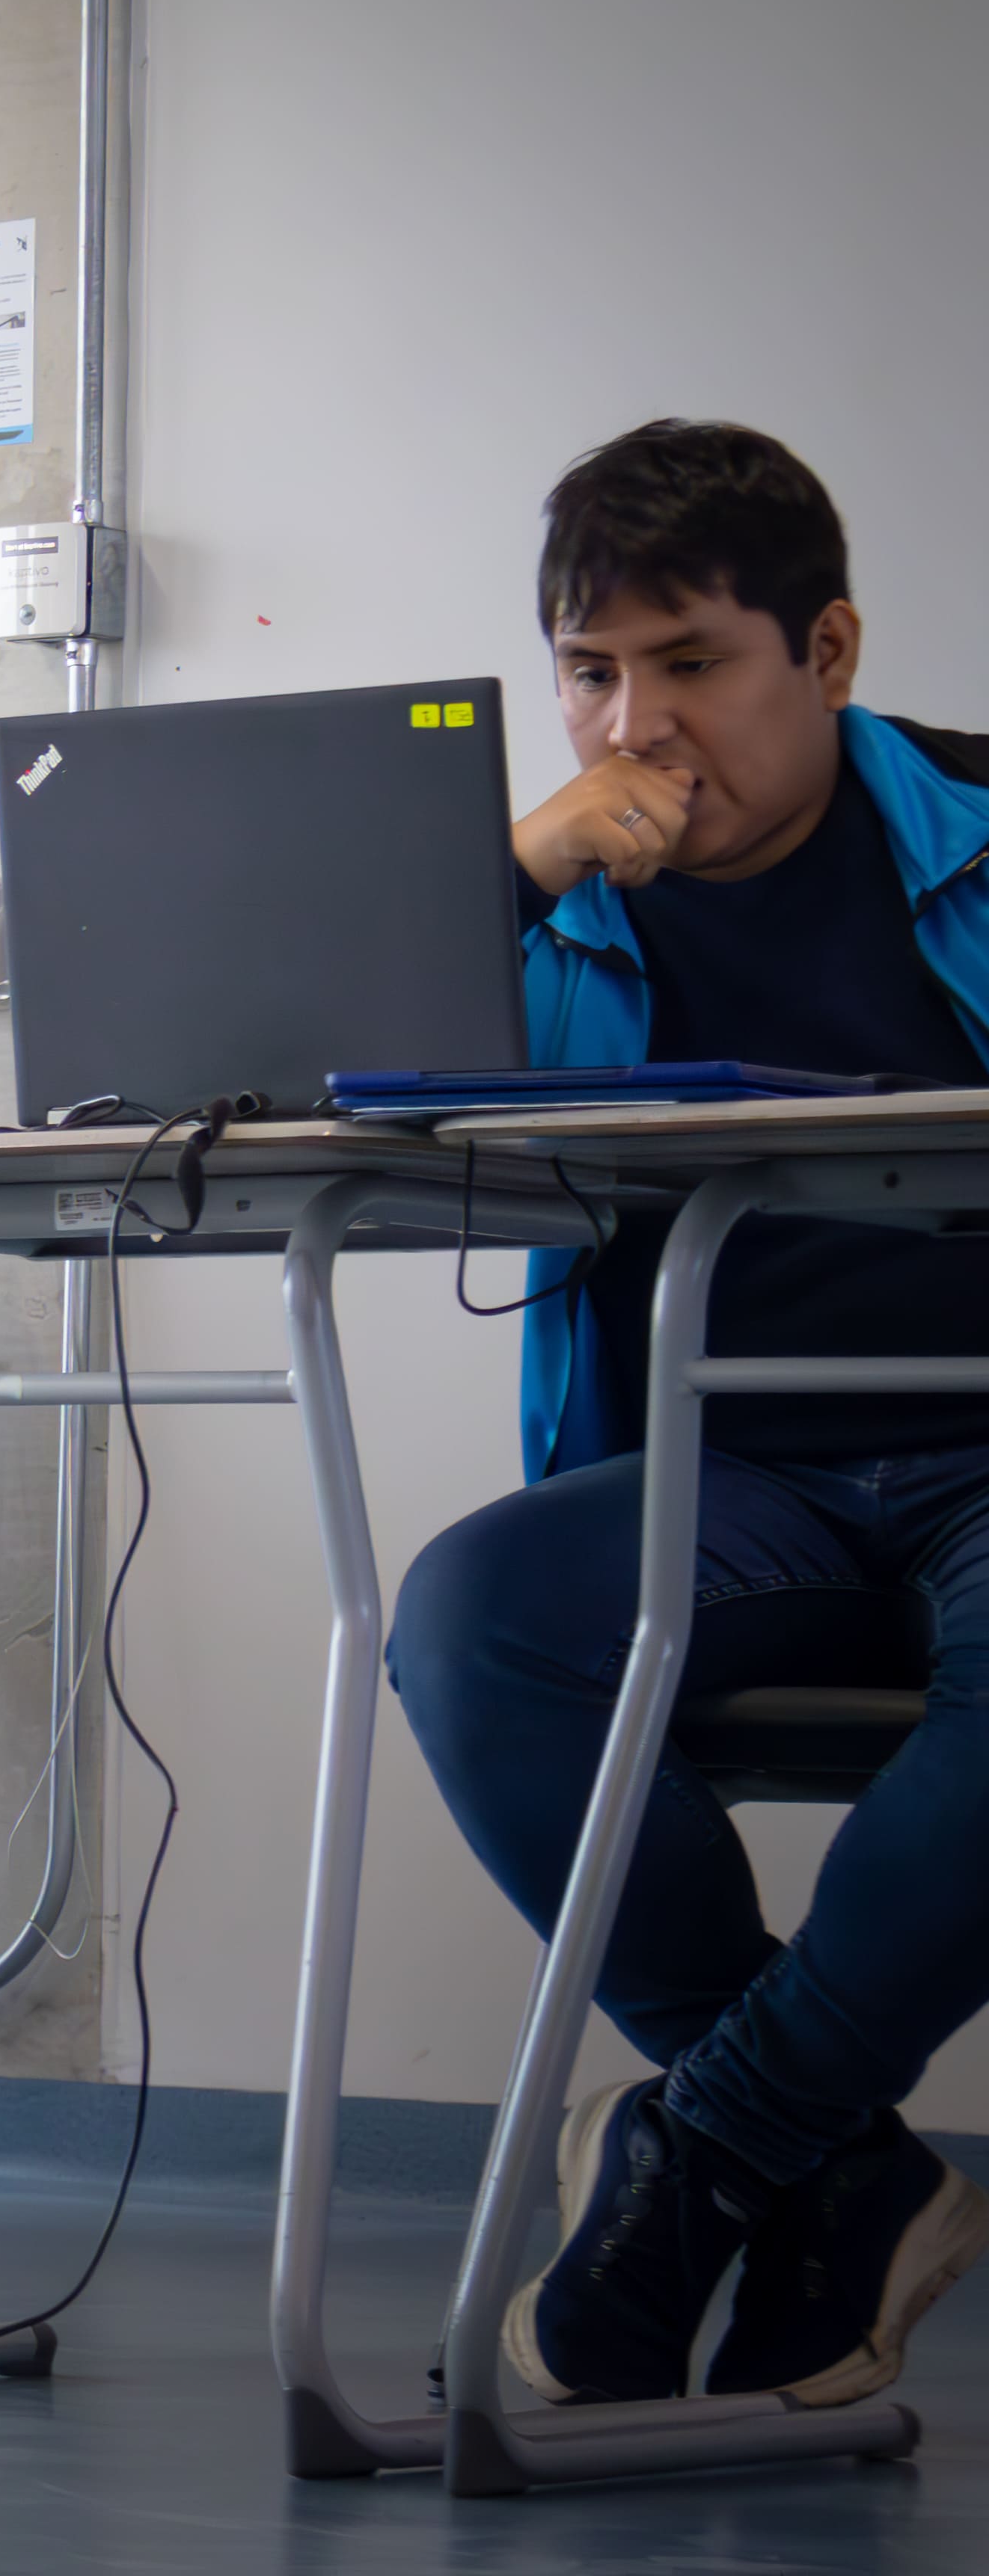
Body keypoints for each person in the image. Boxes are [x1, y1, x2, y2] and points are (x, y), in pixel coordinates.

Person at [389, 420, 989, 2410]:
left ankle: (708, 2151)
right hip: (735, 1477)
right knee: (474, 1623)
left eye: (693, 664)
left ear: (825, 648)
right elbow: (307, 1070)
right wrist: (506, 868)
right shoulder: (554, 898)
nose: (635, 728)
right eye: (587, 670)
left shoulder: (979, 830)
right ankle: (849, 2168)